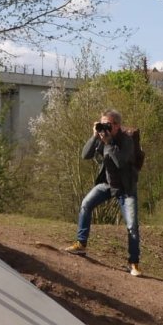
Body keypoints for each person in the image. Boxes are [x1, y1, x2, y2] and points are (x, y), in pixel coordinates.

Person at [63, 109, 143, 277]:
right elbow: (85, 155)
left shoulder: (127, 140)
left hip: (126, 188)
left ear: (117, 125)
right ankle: (81, 244)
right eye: (102, 124)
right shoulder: (101, 138)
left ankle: (134, 263)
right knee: (86, 204)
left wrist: (108, 144)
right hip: (107, 184)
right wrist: (94, 136)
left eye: (108, 124)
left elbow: (121, 162)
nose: (104, 128)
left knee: (132, 226)